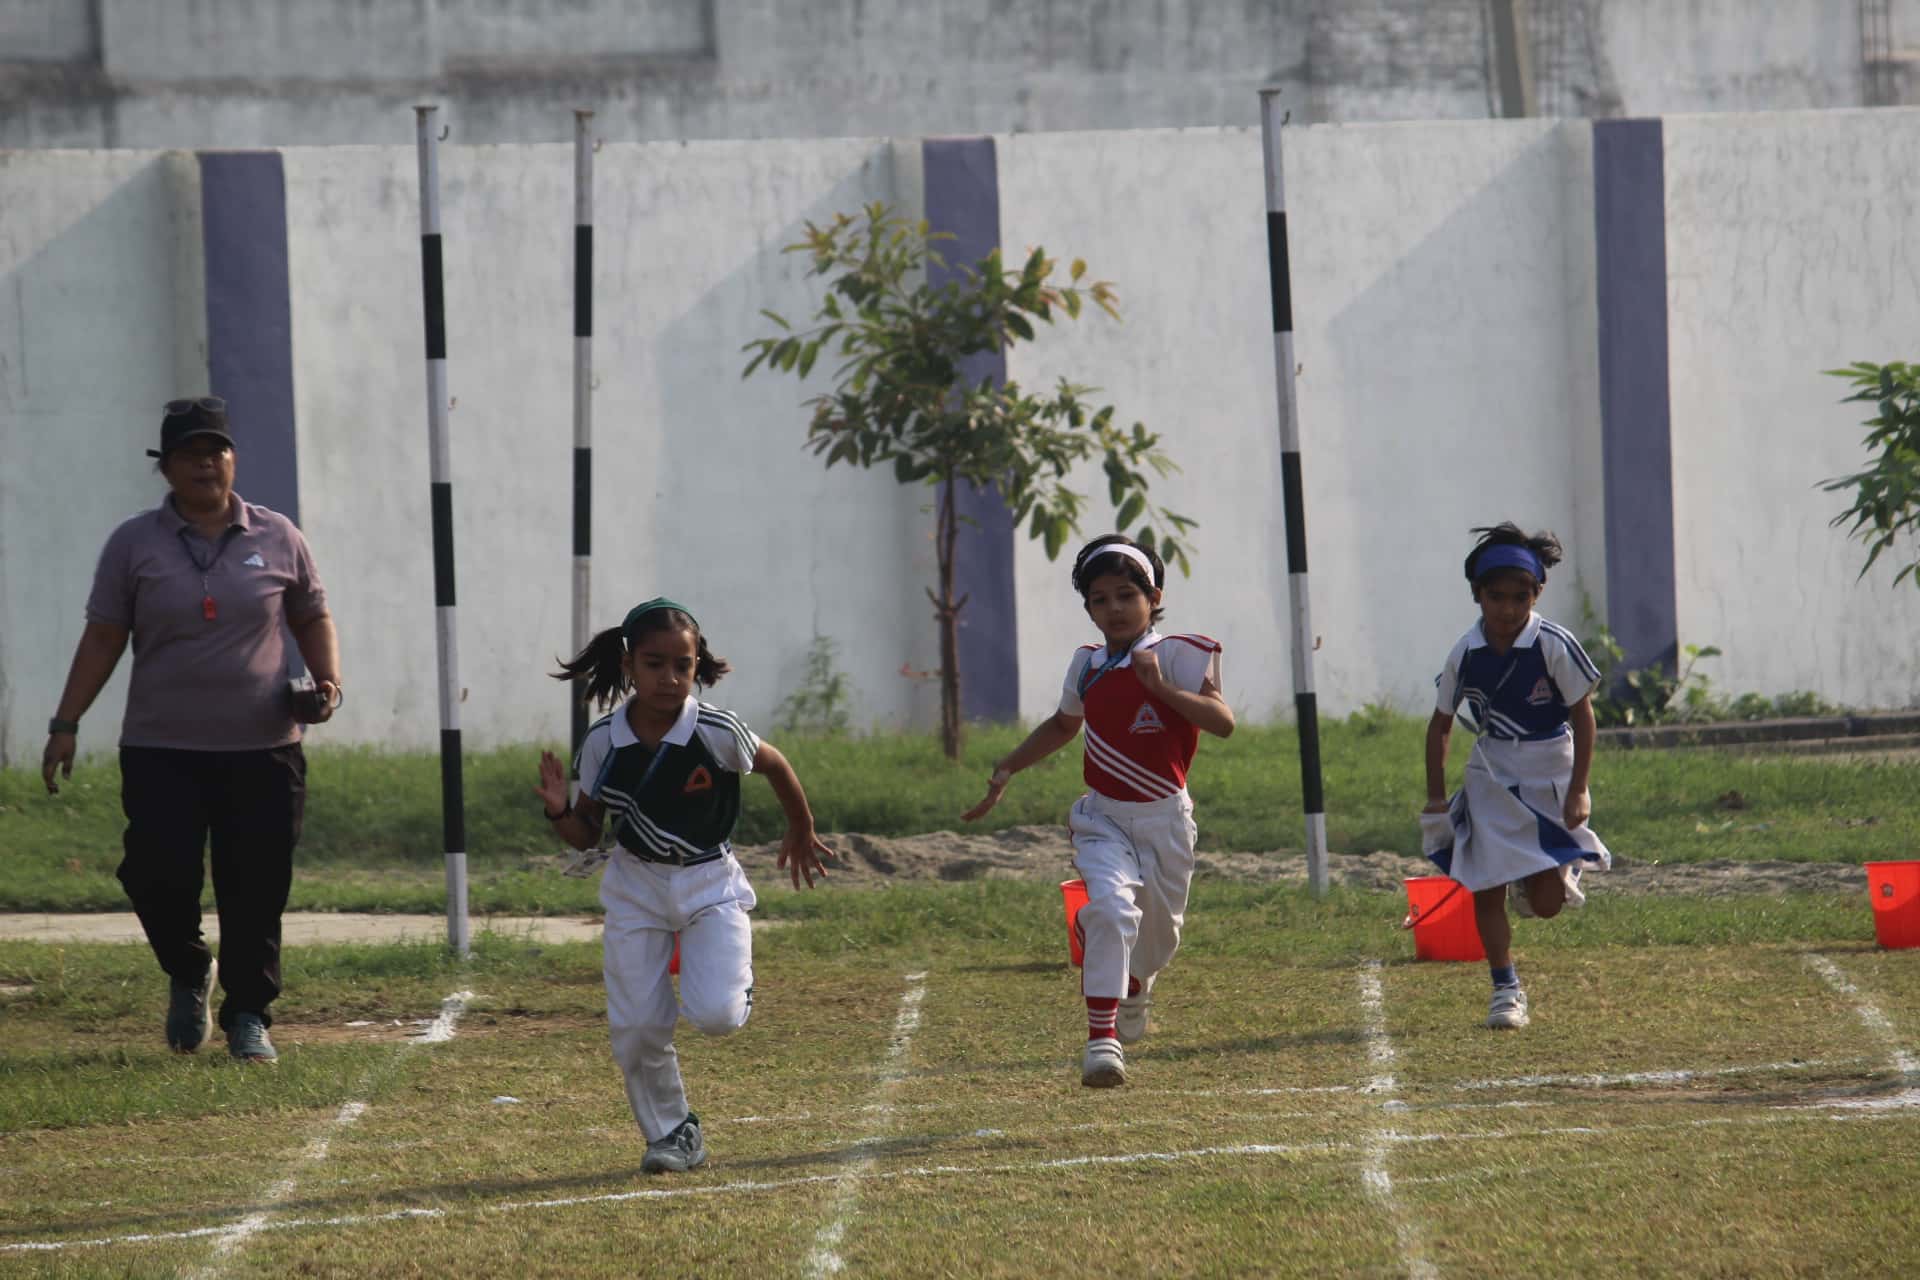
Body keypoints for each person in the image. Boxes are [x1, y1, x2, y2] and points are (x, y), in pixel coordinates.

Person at [41, 396, 341, 1063]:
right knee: (155, 875)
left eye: (216, 451)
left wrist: (328, 683)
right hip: (161, 749)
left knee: (255, 887)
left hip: (264, 749)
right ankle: (187, 969)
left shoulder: (278, 536)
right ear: (166, 467)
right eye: (189, 454)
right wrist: (66, 722)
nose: (206, 464)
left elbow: (312, 616)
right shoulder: (133, 544)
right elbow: (104, 636)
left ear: (232, 459)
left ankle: (247, 1015)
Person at [534, 599, 833, 1174]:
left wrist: (802, 826)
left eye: (682, 664)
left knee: (717, 1015)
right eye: (654, 664)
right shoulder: (603, 742)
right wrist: (558, 812)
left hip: (708, 881)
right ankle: (672, 1133)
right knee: (638, 1026)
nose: (668, 678)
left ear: (698, 666)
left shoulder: (716, 729)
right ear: (628, 665)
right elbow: (586, 834)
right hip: (635, 886)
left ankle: (730, 985)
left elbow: (774, 764)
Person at [962, 534, 1232, 1088]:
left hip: (1166, 821)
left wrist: (1157, 686)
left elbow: (1221, 721)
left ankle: (1136, 985)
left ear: (1153, 596)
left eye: (1126, 595)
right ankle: (1101, 1041)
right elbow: (1065, 724)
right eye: (1100, 599)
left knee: (1158, 942)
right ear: (1087, 608)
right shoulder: (1086, 664)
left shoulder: (1180, 653)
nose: (1114, 609)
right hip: (1102, 818)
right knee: (1109, 913)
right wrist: (1008, 766)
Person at [1421, 521, 1610, 1031]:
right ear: (1477, 595)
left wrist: (1579, 789)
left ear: (1537, 593)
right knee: (1484, 883)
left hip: (1551, 771)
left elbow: (1583, 716)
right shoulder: (1465, 652)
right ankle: (1505, 988)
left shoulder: (1553, 644)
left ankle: (1541, 875)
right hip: (1491, 772)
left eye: (1520, 597)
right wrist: (1437, 798)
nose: (1507, 609)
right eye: (1496, 597)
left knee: (1546, 906)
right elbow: (1441, 724)